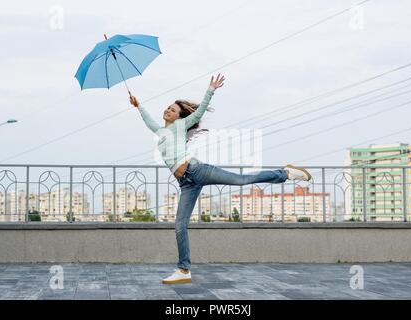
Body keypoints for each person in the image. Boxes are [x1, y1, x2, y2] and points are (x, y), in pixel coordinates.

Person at [129, 73, 312, 284]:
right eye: (168, 108)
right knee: (180, 225)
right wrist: (138, 105)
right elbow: (148, 120)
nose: (168, 110)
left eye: (172, 109)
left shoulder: (180, 126)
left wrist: (210, 90)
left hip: (197, 170)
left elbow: (197, 114)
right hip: (186, 183)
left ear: (179, 117)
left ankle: (285, 173)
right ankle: (184, 270)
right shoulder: (161, 131)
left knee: (241, 180)